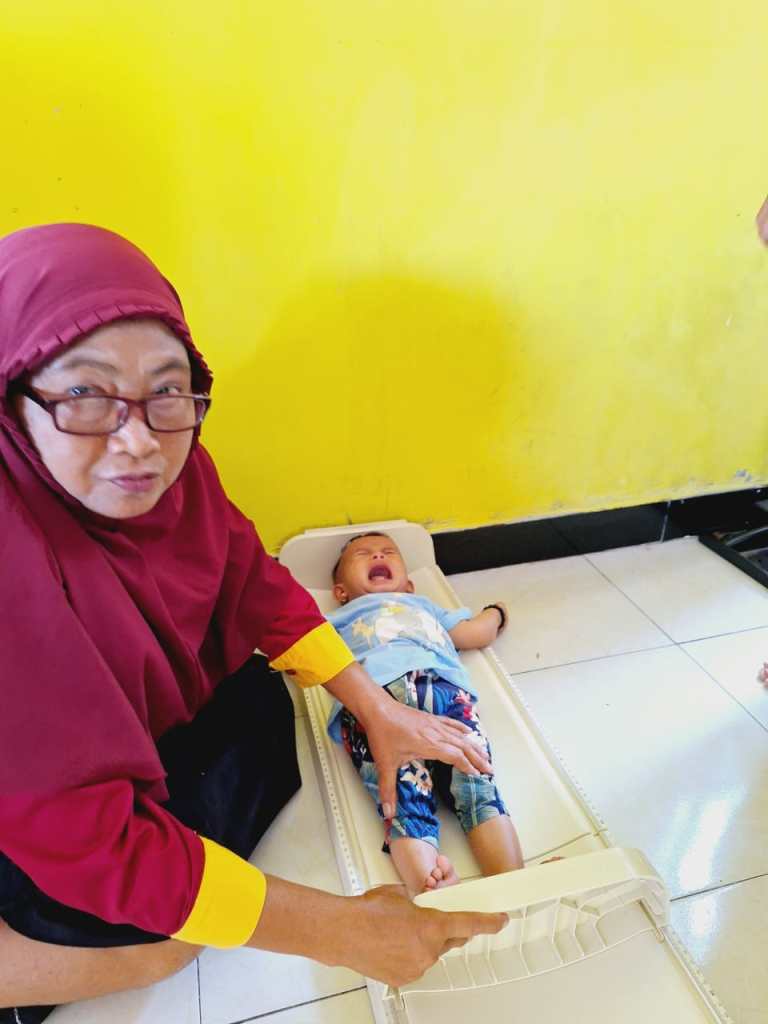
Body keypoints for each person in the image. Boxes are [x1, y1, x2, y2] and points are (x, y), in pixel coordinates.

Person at [0, 223, 507, 1024]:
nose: (138, 442)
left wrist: (379, 711)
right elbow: (79, 834)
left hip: (103, 752)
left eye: (167, 390)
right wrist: (341, 931)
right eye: (85, 395)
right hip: (26, 801)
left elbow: (252, 581)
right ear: (12, 397)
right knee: (159, 943)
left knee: (263, 704)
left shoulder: (177, 469)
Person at [328, 531, 524, 898]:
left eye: (388, 551)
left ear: (409, 584)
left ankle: (515, 884)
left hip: (445, 694)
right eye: (363, 554)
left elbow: (475, 633)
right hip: (376, 701)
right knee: (401, 798)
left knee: (478, 781)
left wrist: (495, 614)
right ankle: (433, 891)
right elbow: (299, 650)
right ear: (340, 591)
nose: (377, 556)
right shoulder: (337, 618)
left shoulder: (425, 607)